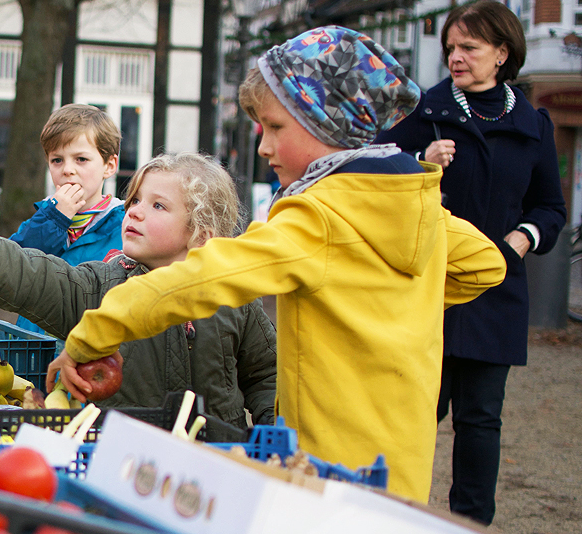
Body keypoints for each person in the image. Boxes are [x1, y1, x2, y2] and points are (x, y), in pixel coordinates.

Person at [48, 26, 507, 502]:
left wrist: (93, 335)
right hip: (399, 470)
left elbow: (204, 277)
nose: (263, 146)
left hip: (320, 468)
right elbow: (485, 264)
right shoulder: (415, 207)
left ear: (326, 125)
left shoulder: (319, 216)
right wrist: (379, 304)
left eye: (275, 127)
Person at [0, 152, 276, 428]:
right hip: (119, 457)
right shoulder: (102, 285)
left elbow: (267, 373)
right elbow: (35, 277)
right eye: (135, 199)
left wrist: (274, 429)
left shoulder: (235, 303)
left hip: (217, 461)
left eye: (158, 206)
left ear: (201, 233)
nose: (135, 210)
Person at [377, 0, 566, 525]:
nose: (456, 57)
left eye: (469, 48)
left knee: (482, 420)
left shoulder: (534, 126)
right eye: (451, 48)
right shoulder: (421, 113)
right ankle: (395, 518)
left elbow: (550, 208)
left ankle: (471, 532)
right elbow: (368, 178)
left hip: (496, 292)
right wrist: (418, 165)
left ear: (502, 54)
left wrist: (520, 241)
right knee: (415, 416)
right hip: (426, 288)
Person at [9, 104, 124, 343]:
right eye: (57, 160)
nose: (68, 170)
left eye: (81, 159)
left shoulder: (123, 224)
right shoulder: (44, 216)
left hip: (89, 352)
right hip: (32, 347)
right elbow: (12, 265)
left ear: (109, 165)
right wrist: (55, 219)